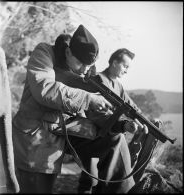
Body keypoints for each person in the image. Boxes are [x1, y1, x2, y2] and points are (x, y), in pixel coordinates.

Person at [12, 24, 147, 194]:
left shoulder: (87, 69)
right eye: (80, 63)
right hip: (36, 134)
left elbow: (96, 111)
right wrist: (88, 98)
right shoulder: (45, 53)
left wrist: (122, 124)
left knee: (114, 140)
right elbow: (44, 89)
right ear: (68, 52)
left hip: (64, 132)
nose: (84, 70)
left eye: (88, 66)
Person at [77, 48, 149, 193]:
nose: (126, 71)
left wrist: (145, 122)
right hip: (92, 133)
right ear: (115, 62)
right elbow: (96, 114)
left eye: (128, 67)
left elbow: (132, 107)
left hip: (109, 130)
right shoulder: (97, 80)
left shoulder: (118, 85)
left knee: (94, 180)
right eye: (125, 66)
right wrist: (123, 125)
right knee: (89, 180)